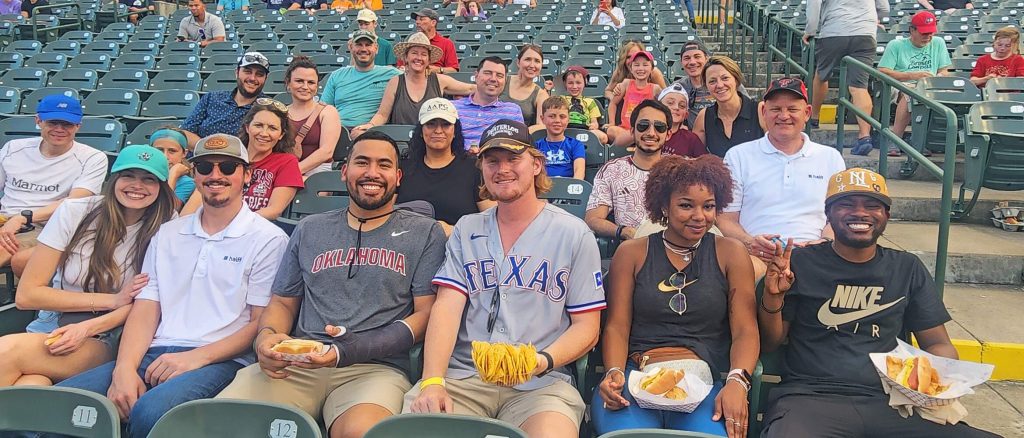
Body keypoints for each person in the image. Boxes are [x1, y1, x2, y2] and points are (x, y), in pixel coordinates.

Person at [56, 134, 289, 438]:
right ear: (194, 174)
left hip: (222, 359)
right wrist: (124, 370)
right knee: (63, 403)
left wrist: (197, 357)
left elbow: (260, 323)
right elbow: (147, 308)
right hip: (155, 352)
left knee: (150, 413)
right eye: (205, 167)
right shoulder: (168, 233)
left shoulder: (268, 239)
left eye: (228, 167)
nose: (215, 175)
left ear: (246, 175)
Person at [216, 131, 447, 438]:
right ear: (344, 171)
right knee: (223, 423)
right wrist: (267, 338)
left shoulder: (424, 232)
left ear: (398, 175)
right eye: (362, 162)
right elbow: (283, 302)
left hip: (373, 369)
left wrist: (352, 350)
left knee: (361, 433)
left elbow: (425, 316)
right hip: (297, 363)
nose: (372, 173)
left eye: (384, 165)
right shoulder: (310, 228)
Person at [758, 168, 999, 438]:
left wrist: (939, 376)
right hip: (811, 398)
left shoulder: (906, 267)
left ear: (887, 216)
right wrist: (773, 296)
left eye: (873, 205)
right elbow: (770, 343)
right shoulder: (801, 263)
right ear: (828, 215)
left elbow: (937, 343)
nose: (860, 213)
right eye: (846, 204)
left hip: (895, 402)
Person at [405, 120, 605, 438]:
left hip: (541, 384)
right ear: (481, 168)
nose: (502, 169)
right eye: (492, 160)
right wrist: (432, 381)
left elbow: (587, 327)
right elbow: (447, 307)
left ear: (537, 164)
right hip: (464, 378)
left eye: (513, 158)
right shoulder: (467, 229)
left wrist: (542, 361)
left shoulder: (574, 233)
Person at [592, 155, 758, 438]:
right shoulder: (632, 252)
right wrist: (614, 373)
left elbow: (744, 329)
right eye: (685, 205)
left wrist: (737, 380)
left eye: (709, 206)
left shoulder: (730, 252)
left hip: (701, 381)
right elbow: (617, 326)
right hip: (637, 375)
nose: (699, 216)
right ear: (663, 206)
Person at [0, 146, 176, 388]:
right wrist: (111, 300)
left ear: (161, 187)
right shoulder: (75, 211)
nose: (137, 185)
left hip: (110, 333)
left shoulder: (168, 226)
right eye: (128, 176)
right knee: (30, 385)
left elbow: (150, 303)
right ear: (113, 179)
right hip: (54, 323)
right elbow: (27, 294)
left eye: (149, 179)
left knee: (5, 352)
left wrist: (87, 327)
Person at [717, 78, 845, 279]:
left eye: (792, 109)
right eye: (776, 109)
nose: (784, 116)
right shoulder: (738, 155)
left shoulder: (830, 157)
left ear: (807, 113)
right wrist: (750, 243)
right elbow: (726, 219)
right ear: (763, 112)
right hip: (756, 256)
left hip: (815, 254)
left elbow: (839, 216)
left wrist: (826, 242)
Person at [0, 95, 107, 269]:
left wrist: (22, 218)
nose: (59, 129)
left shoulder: (92, 158)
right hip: (5, 219)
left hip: (46, 227)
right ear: (38, 121)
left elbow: (75, 202)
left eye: (67, 124)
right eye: (52, 123)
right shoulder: (14, 148)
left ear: (78, 126)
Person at [182, 102, 304, 220]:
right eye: (258, 125)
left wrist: (232, 224)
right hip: (214, 226)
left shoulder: (286, 162)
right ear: (247, 127)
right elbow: (196, 201)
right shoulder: (227, 156)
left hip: (255, 230)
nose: (264, 133)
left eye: (272, 128)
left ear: (281, 134)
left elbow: (274, 210)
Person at [397, 98, 493, 235]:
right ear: (420, 130)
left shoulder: (474, 168)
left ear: (455, 131)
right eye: (431, 124)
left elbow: (491, 220)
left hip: (459, 248)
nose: (438, 130)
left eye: (446, 124)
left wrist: (454, 231)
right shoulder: (403, 168)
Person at [803, 0, 888, 155]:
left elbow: (814, 4)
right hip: (865, 32)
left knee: (822, 75)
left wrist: (811, 30)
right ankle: (864, 136)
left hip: (834, 30)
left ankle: (813, 117)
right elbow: (884, 7)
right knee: (859, 87)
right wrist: (874, 20)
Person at [352, 32, 476, 137]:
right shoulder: (395, 82)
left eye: (423, 54)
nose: (419, 58)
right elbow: (382, 114)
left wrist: (491, 86)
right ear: (406, 57)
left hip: (430, 143)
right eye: (414, 53)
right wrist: (370, 126)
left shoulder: (439, 80)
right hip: (400, 141)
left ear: (428, 60)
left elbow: (470, 88)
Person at [585, 100, 672, 241]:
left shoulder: (680, 171)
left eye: (659, 127)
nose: (651, 133)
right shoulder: (612, 170)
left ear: (668, 134)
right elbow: (593, 219)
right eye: (643, 126)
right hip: (630, 250)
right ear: (632, 131)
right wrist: (622, 231)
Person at [877, 11, 951, 156]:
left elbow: (945, 70)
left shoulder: (938, 43)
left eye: (931, 33)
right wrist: (911, 75)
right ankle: (895, 140)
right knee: (910, 95)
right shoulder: (896, 45)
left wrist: (936, 77)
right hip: (901, 84)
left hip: (930, 86)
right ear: (912, 30)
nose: (928, 37)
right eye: (924, 33)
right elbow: (882, 71)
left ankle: (922, 142)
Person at [181, 52, 270, 148]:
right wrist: (209, 150)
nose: (252, 78)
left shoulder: (268, 108)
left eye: (259, 74)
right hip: (200, 158)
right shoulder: (211, 98)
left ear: (265, 79)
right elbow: (186, 132)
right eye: (247, 72)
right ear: (237, 72)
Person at [320, 30, 401, 129]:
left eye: (368, 45)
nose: (363, 49)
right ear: (351, 47)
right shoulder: (337, 76)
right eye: (359, 44)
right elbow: (323, 109)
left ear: (376, 48)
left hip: (374, 131)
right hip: (339, 130)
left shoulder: (392, 74)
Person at [692, 55, 765, 158]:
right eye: (712, 81)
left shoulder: (760, 111)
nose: (720, 85)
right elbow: (697, 160)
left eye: (725, 78)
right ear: (706, 86)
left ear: (735, 79)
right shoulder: (704, 117)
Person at [284, 56, 342, 176]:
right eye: (299, 81)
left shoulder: (327, 112)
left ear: (316, 87)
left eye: (310, 82)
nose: (305, 87)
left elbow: (327, 151)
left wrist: (293, 172)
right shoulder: (280, 113)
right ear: (288, 83)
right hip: (284, 169)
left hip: (317, 172)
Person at [452, 57, 525, 150]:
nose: (493, 79)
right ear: (476, 76)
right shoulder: (453, 107)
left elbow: (519, 148)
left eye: (499, 75)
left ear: (505, 81)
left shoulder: (513, 111)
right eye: (488, 73)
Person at [608, 51, 662, 139]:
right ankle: (635, 141)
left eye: (645, 65)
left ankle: (635, 141)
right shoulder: (626, 83)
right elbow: (613, 103)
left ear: (652, 68)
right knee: (611, 130)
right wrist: (611, 123)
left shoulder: (655, 89)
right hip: (625, 130)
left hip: (646, 131)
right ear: (631, 69)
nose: (641, 68)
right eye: (636, 65)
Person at [536, 96, 586, 179]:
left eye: (562, 117)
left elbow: (579, 172)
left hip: (568, 188)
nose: (557, 121)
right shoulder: (537, 146)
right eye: (552, 116)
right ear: (542, 119)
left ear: (568, 119)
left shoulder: (576, 145)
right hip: (543, 188)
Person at [502, 44, 551, 128]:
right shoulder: (503, 81)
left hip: (521, 139)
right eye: (527, 59)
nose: (532, 65)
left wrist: (519, 134)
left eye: (537, 61)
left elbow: (541, 126)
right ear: (518, 62)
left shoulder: (541, 95)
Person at [559, 66, 609, 145]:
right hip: (565, 129)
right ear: (565, 83)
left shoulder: (590, 102)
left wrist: (594, 126)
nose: (574, 86)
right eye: (570, 83)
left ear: (585, 82)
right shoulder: (560, 99)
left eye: (578, 83)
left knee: (603, 137)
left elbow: (594, 122)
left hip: (585, 130)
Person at [404, 8, 459, 73]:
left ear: (433, 23)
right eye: (416, 19)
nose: (417, 22)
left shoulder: (446, 43)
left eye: (421, 19)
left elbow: (454, 70)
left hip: (437, 79)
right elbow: (401, 66)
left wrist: (438, 70)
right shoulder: (410, 41)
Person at [149, 128, 195, 204]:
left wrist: (173, 175)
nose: (165, 156)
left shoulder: (187, 183)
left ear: (184, 153)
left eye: (172, 151)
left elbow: (167, 209)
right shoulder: (140, 174)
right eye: (159, 150)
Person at [659, 84, 706, 158]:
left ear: (686, 114)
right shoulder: (648, 132)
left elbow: (704, 163)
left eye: (682, 106)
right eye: (670, 103)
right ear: (658, 107)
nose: (676, 107)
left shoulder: (691, 139)